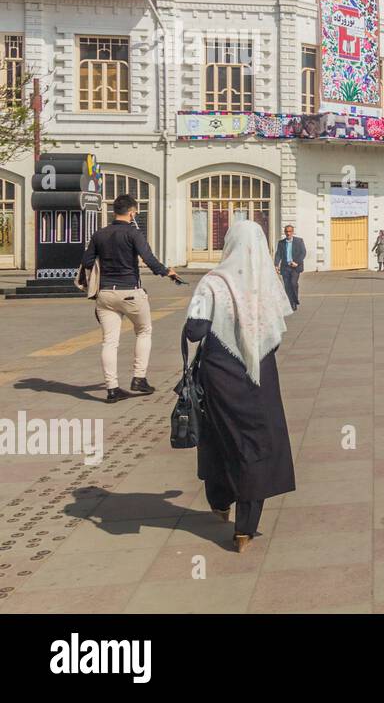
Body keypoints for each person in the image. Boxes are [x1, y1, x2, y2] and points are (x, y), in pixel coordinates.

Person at [182, 220, 295, 553]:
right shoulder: (268, 282)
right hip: (261, 374)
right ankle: (245, 530)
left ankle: (219, 501)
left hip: (220, 375)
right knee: (256, 442)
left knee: (219, 438)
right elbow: (275, 333)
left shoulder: (213, 282)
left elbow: (196, 332)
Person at [80, 194, 177, 403]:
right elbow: (148, 258)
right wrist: (166, 272)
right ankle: (139, 378)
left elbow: (87, 260)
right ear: (132, 212)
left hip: (105, 294)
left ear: (114, 211)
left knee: (109, 341)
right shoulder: (134, 233)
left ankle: (112, 389)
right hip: (131, 292)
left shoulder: (100, 234)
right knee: (144, 331)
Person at [272, 225, 306, 311]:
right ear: (284, 232)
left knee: (293, 283)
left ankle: (294, 300)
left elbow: (303, 253)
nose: (288, 233)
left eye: (290, 231)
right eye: (287, 231)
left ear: (293, 232)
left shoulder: (299, 241)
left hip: (295, 267)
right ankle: (292, 303)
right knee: (287, 286)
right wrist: (276, 265)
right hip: (285, 267)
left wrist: (296, 262)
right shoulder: (281, 243)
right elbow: (278, 254)